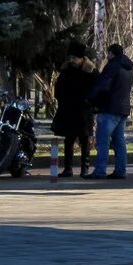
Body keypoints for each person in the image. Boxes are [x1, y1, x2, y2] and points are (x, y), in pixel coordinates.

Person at [89, 43, 133, 179]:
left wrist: (92, 100)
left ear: (111, 53)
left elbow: (103, 86)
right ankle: (121, 170)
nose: (107, 56)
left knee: (103, 141)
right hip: (123, 109)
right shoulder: (128, 68)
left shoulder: (112, 67)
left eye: (108, 53)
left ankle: (100, 171)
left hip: (109, 108)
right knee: (119, 142)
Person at [51, 42, 96, 178]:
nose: (72, 61)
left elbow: (96, 90)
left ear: (82, 58)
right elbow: (58, 89)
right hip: (68, 110)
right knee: (68, 140)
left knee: (84, 140)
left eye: (74, 58)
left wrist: (89, 102)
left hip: (84, 111)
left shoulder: (90, 71)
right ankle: (68, 168)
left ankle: (85, 169)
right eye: (70, 58)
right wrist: (61, 100)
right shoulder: (66, 70)